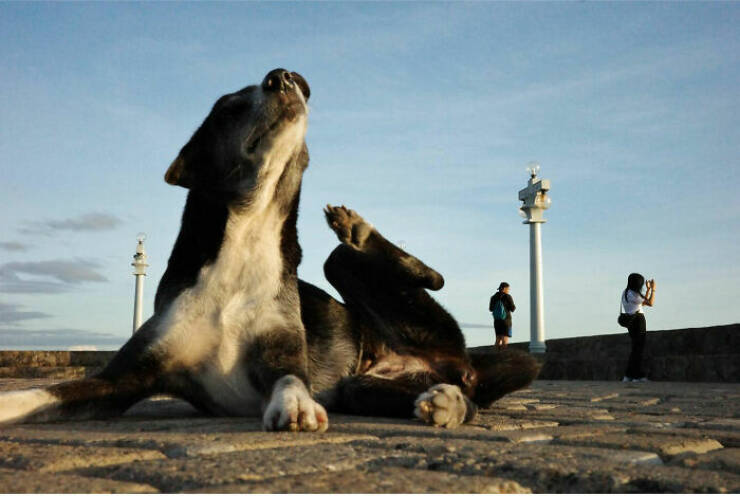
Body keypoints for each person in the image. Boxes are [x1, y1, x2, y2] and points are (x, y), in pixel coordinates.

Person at [621, 273, 656, 383]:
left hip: (630, 322)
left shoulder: (626, 293)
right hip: (638, 320)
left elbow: (641, 304)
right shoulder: (634, 294)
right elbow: (650, 303)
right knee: (638, 350)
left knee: (635, 349)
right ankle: (637, 376)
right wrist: (653, 290)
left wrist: (648, 290)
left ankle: (628, 375)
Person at [489, 282, 515, 350]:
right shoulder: (508, 297)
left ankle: (495, 354)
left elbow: (491, 309)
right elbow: (513, 309)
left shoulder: (493, 297)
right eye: (508, 289)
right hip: (506, 321)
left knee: (498, 339)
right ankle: (503, 355)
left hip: (497, 321)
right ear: (504, 289)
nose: (508, 290)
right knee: (505, 339)